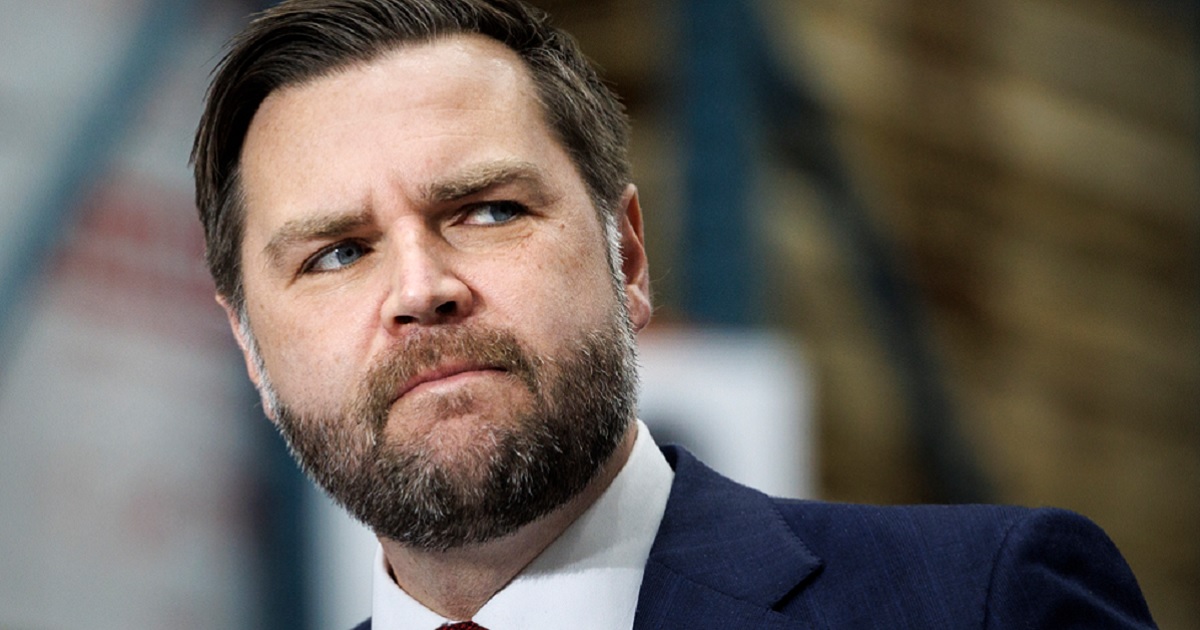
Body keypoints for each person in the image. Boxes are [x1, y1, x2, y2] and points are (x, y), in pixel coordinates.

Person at [191, 0, 1157, 627]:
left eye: (488, 210)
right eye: (337, 253)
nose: (420, 289)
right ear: (251, 350)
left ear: (629, 256)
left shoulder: (984, 602)